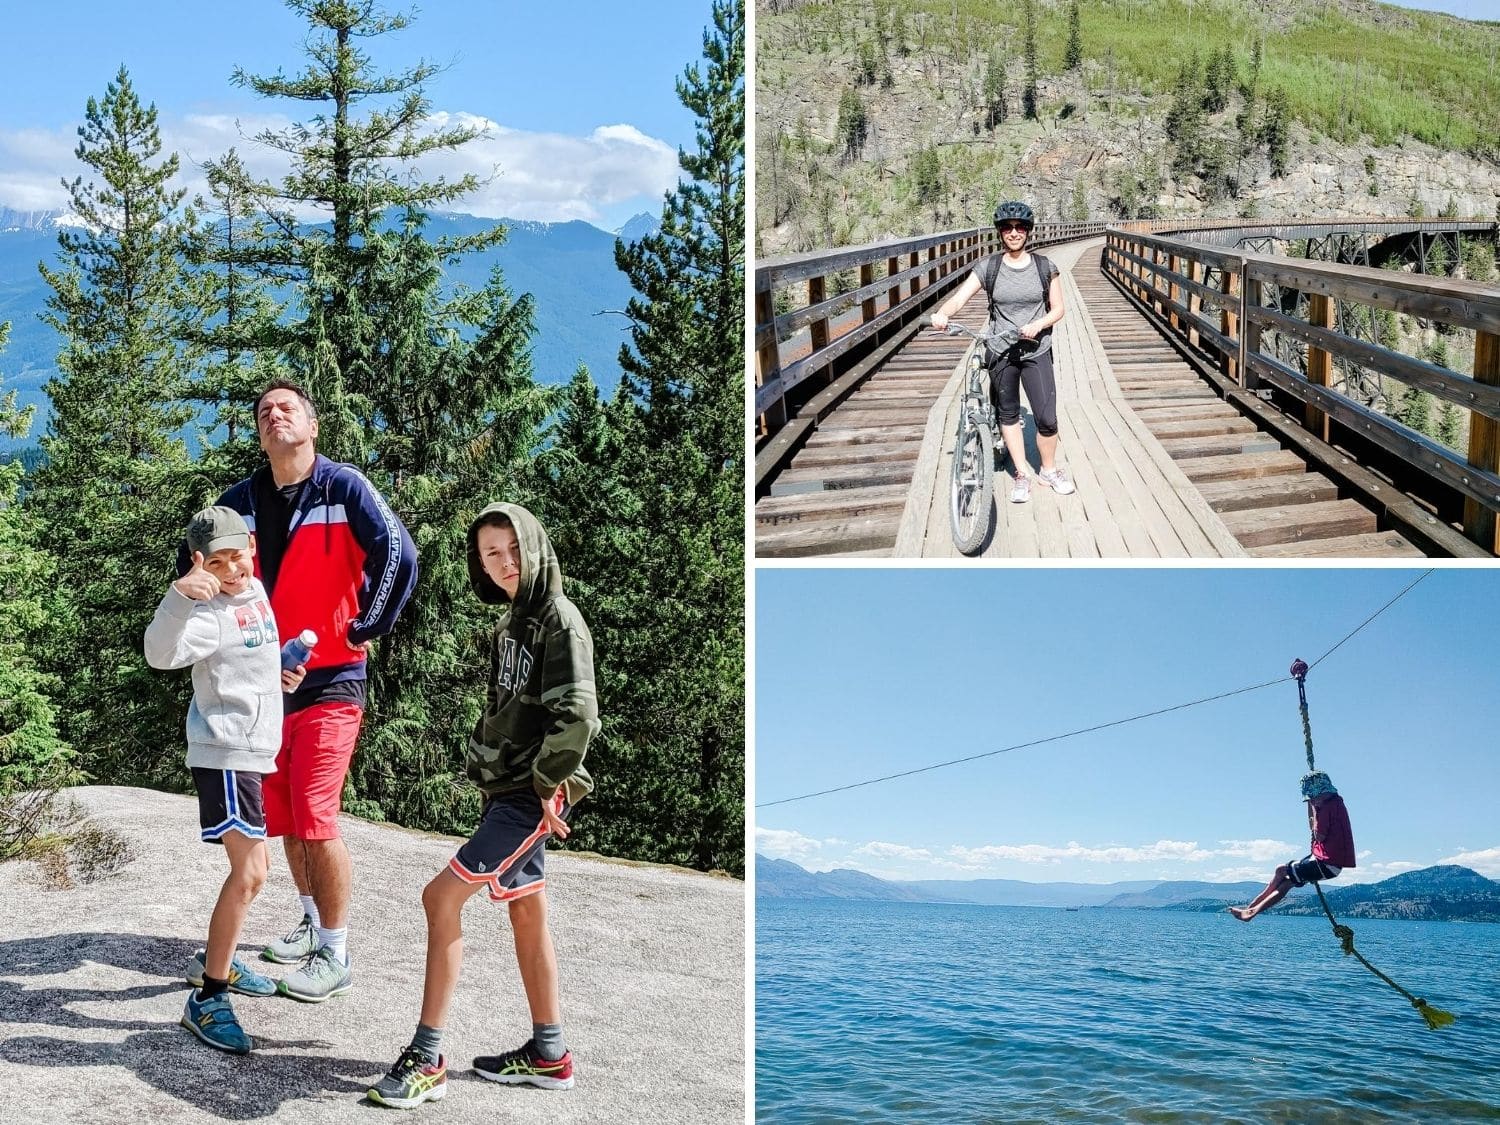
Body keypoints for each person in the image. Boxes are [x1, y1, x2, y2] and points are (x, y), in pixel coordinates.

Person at [367, 502, 598, 1110]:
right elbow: (509, 708)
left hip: (530, 797)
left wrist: (550, 784)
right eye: (491, 553)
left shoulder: (559, 620)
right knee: (527, 914)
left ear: (536, 547)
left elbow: (578, 715)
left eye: (514, 549)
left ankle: (427, 1055)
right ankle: (550, 1055)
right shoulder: (508, 626)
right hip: (506, 790)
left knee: (440, 897)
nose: (504, 563)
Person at [196, 380, 418, 1002]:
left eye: (287, 407)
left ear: (312, 426)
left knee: (317, 817)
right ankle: (312, 920)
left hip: (332, 681)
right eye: (265, 411)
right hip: (265, 685)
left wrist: (366, 624)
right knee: (287, 816)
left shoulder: (343, 487)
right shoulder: (241, 502)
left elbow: (400, 553)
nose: (274, 415)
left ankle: (336, 952)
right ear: (260, 433)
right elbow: (201, 564)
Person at [145, 506, 306, 1054]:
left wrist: (280, 672)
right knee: (251, 873)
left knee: (251, 873)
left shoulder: (255, 594)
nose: (232, 568)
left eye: (238, 554)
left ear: (252, 546)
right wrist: (181, 595)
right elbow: (158, 653)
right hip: (226, 753)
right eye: (218, 561)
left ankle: (215, 960)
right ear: (199, 563)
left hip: (255, 749)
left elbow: (248, 663)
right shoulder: (205, 610)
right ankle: (209, 997)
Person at [931, 200, 1074, 503]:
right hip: (1000, 351)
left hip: (1036, 350)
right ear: (1000, 232)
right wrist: (943, 313)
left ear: (1028, 232)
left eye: (1019, 227)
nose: (1013, 233)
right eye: (1007, 228)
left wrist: (1037, 325)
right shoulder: (989, 267)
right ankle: (1022, 474)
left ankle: (1048, 470)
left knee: (1047, 417)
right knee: (1007, 414)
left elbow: (1059, 308)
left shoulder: (1045, 267)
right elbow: (958, 299)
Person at [1230, 771, 1356, 921]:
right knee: (1283, 873)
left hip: (1326, 864)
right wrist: (1314, 806)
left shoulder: (1326, 809)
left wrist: (1315, 816)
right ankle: (1251, 909)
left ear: (1320, 793)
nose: (1313, 802)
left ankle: (1251, 912)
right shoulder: (1336, 803)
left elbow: (1319, 836)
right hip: (1328, 863)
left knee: (1285, 878)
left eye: (1313, 799)